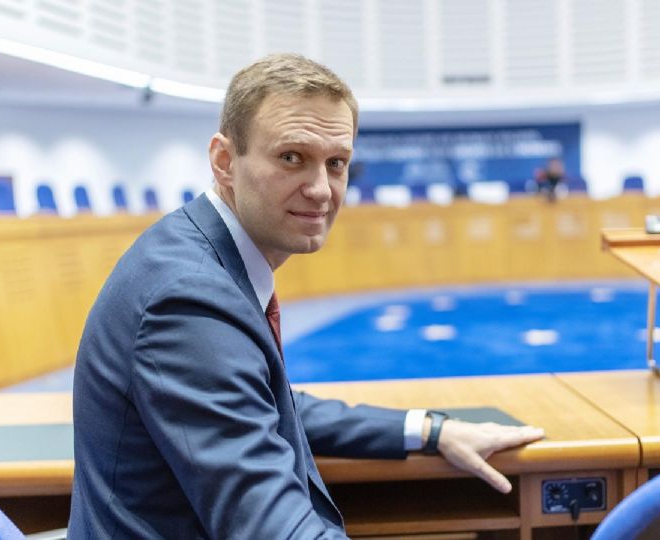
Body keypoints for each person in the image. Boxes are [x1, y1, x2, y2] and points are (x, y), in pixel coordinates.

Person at [68, 53, 544, 539]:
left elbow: (263, 402)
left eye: (336, 164)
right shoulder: (188, 301)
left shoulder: (201, 253)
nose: (321, 190)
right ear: (224, 161)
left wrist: (429, 429)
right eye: (292, 158)